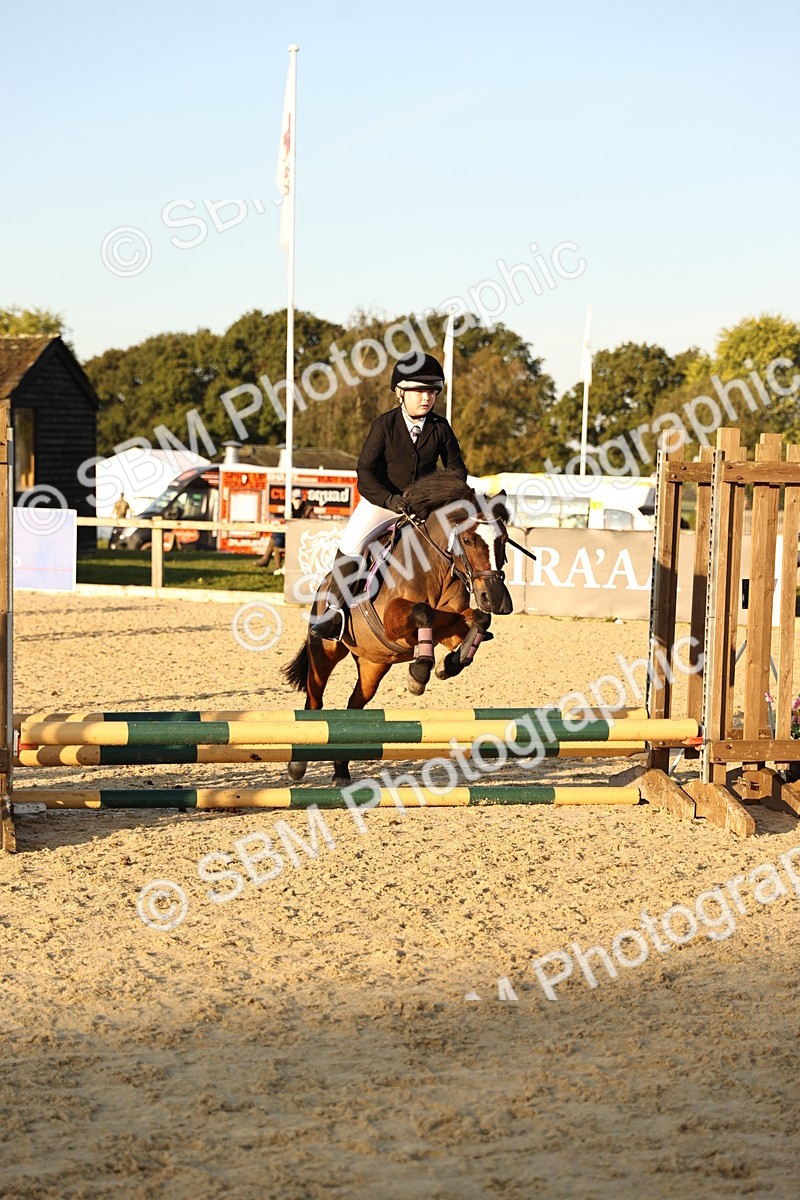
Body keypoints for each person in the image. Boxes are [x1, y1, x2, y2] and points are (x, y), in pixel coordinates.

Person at [310, 351, 468, 639]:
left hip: (423, 510)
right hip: (381, 505)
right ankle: (334, 613)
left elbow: (457, 471)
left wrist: (433, 495)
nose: (427, 398)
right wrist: (389, 499)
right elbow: (365, 471)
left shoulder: (440, 427)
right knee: (352, 543)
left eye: (432, 391)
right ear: (400, 392)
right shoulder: (384, 425)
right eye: (419, 391)